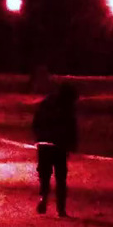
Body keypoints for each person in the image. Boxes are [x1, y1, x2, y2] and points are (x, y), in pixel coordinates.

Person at [31, 82, 79, 216]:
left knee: (44, 175)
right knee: (61, 177)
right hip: (59, 145)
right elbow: (71, 127)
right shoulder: (67, 107)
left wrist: (38, 136)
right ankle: (61, 208)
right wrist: (72, 144)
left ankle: (43, 197)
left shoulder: (46, 103)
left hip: (44, 144)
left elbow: (36, 122)